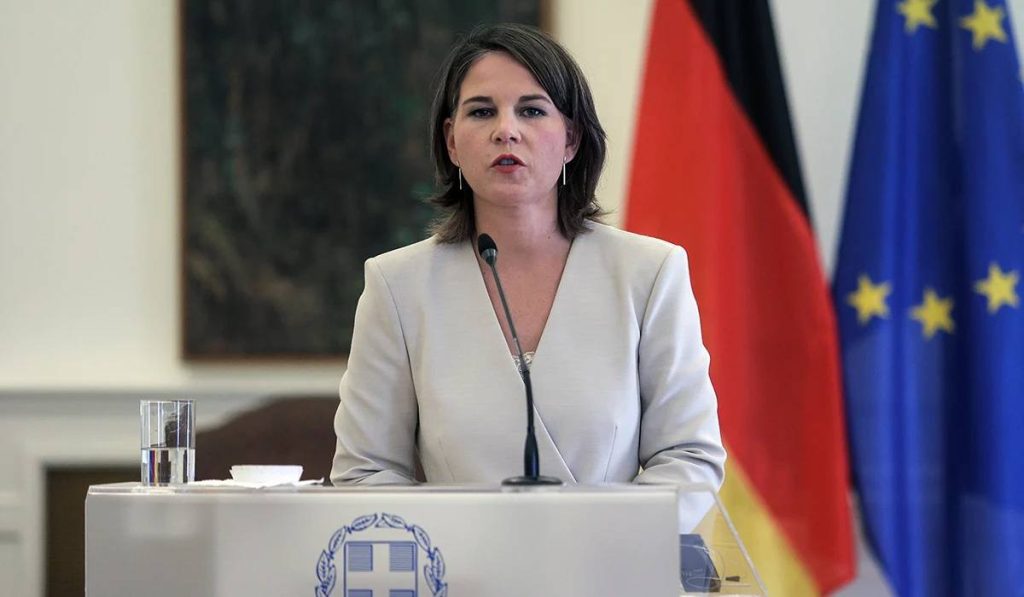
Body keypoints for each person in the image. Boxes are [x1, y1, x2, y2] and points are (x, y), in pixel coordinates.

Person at [331, 24, 725, 492]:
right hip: (457, 543)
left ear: (571, 139)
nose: (506, 131)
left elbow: (689, 459)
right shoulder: (397, 285)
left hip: (611, 541)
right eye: (482, 112)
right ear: (452, 141)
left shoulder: (649, 273)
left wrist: (605, 531)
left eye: (532, 110)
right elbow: (365, 472)